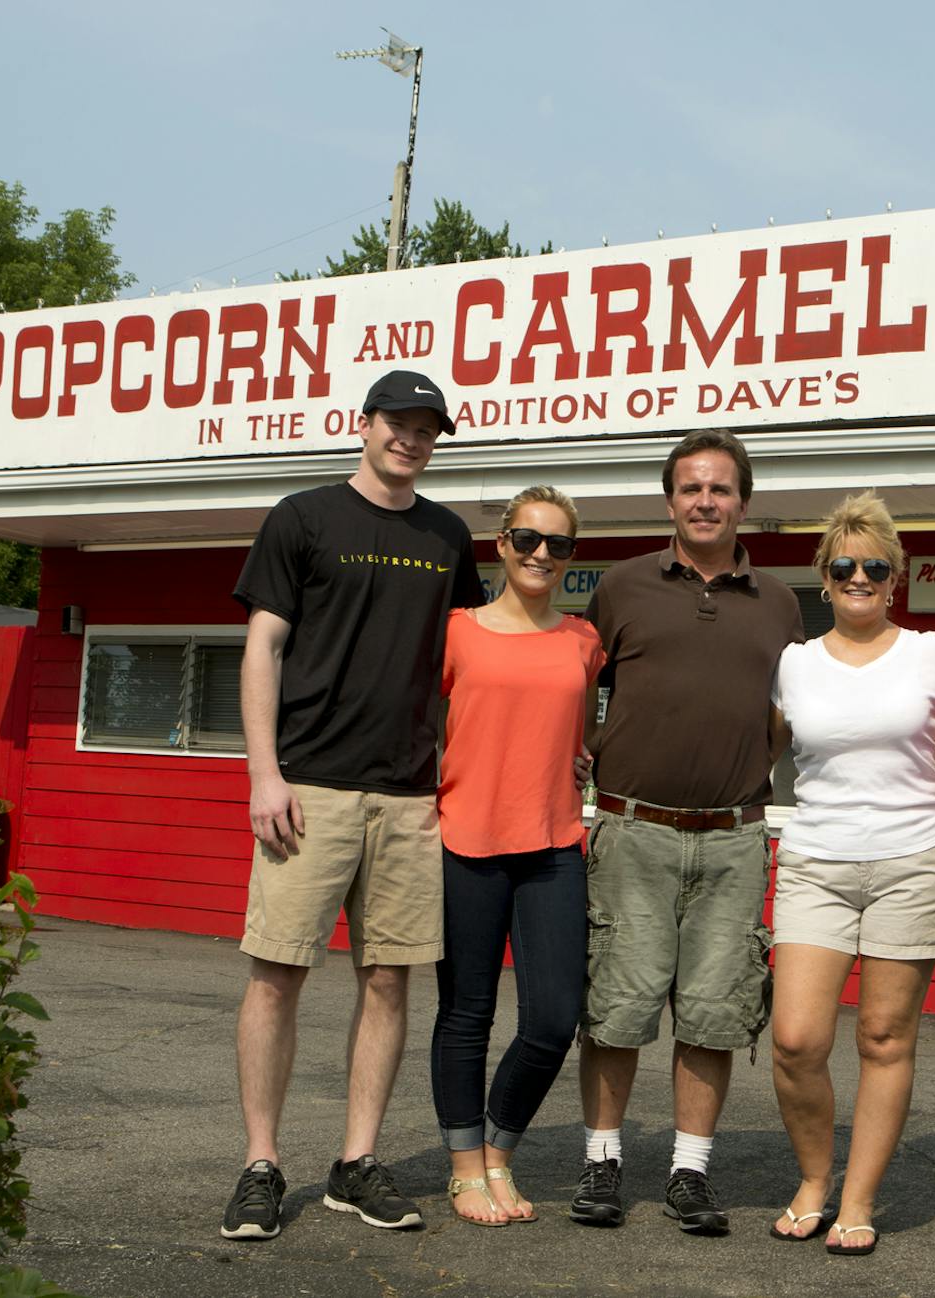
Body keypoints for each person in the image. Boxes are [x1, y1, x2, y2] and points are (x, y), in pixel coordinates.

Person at [220, 369, 483, 1241]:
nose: (411, 438)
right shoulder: (303, 517)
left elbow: (467, 670)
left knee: (387, 978)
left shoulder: (448, 537)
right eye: (397, 423)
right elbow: (263, 647)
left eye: (426, 428)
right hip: (310, 787)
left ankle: (356, 1162)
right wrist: (265, 772)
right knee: (277, 974)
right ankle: (261, 1163)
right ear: (361, 426)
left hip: (409, 797)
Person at [572, 430, 803, 1235]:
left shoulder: (779, 603)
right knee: (617, 1007)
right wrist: (586, 755)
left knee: (713, 1012)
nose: (706, 501)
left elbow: (787, 715)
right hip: (633, 833)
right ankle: (602, 1162)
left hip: (734, 841)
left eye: (722, 489)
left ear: (744, 501)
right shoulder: (622, 587)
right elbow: (578, 684)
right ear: (669, 500)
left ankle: (689, 1173)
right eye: (691, 488)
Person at [765, 491, 935, 1257]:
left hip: (913, 858)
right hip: (816, 858)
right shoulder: (794, 664)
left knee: (884, 1036)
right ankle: (814, 1177)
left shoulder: (931, 653)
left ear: (895, 577)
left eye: (874, 566)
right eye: (844, 565)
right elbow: (758, 753)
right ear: (824, 577)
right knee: (796, 1039)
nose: (859, 576)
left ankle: (856, 1198)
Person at [429, 486, 605, 1226]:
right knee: (466, 1013)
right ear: (500, 543)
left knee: (553, 1020)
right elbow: (426, 725)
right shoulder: (456, 630)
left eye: (558, 544)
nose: (541, 555)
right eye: (527, 539)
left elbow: (583, 725)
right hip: (466, 839)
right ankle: (466, 1167)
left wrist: (588, 757)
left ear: (570, 557)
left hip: (554, 843)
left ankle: (500, 1150)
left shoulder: (583, 641)